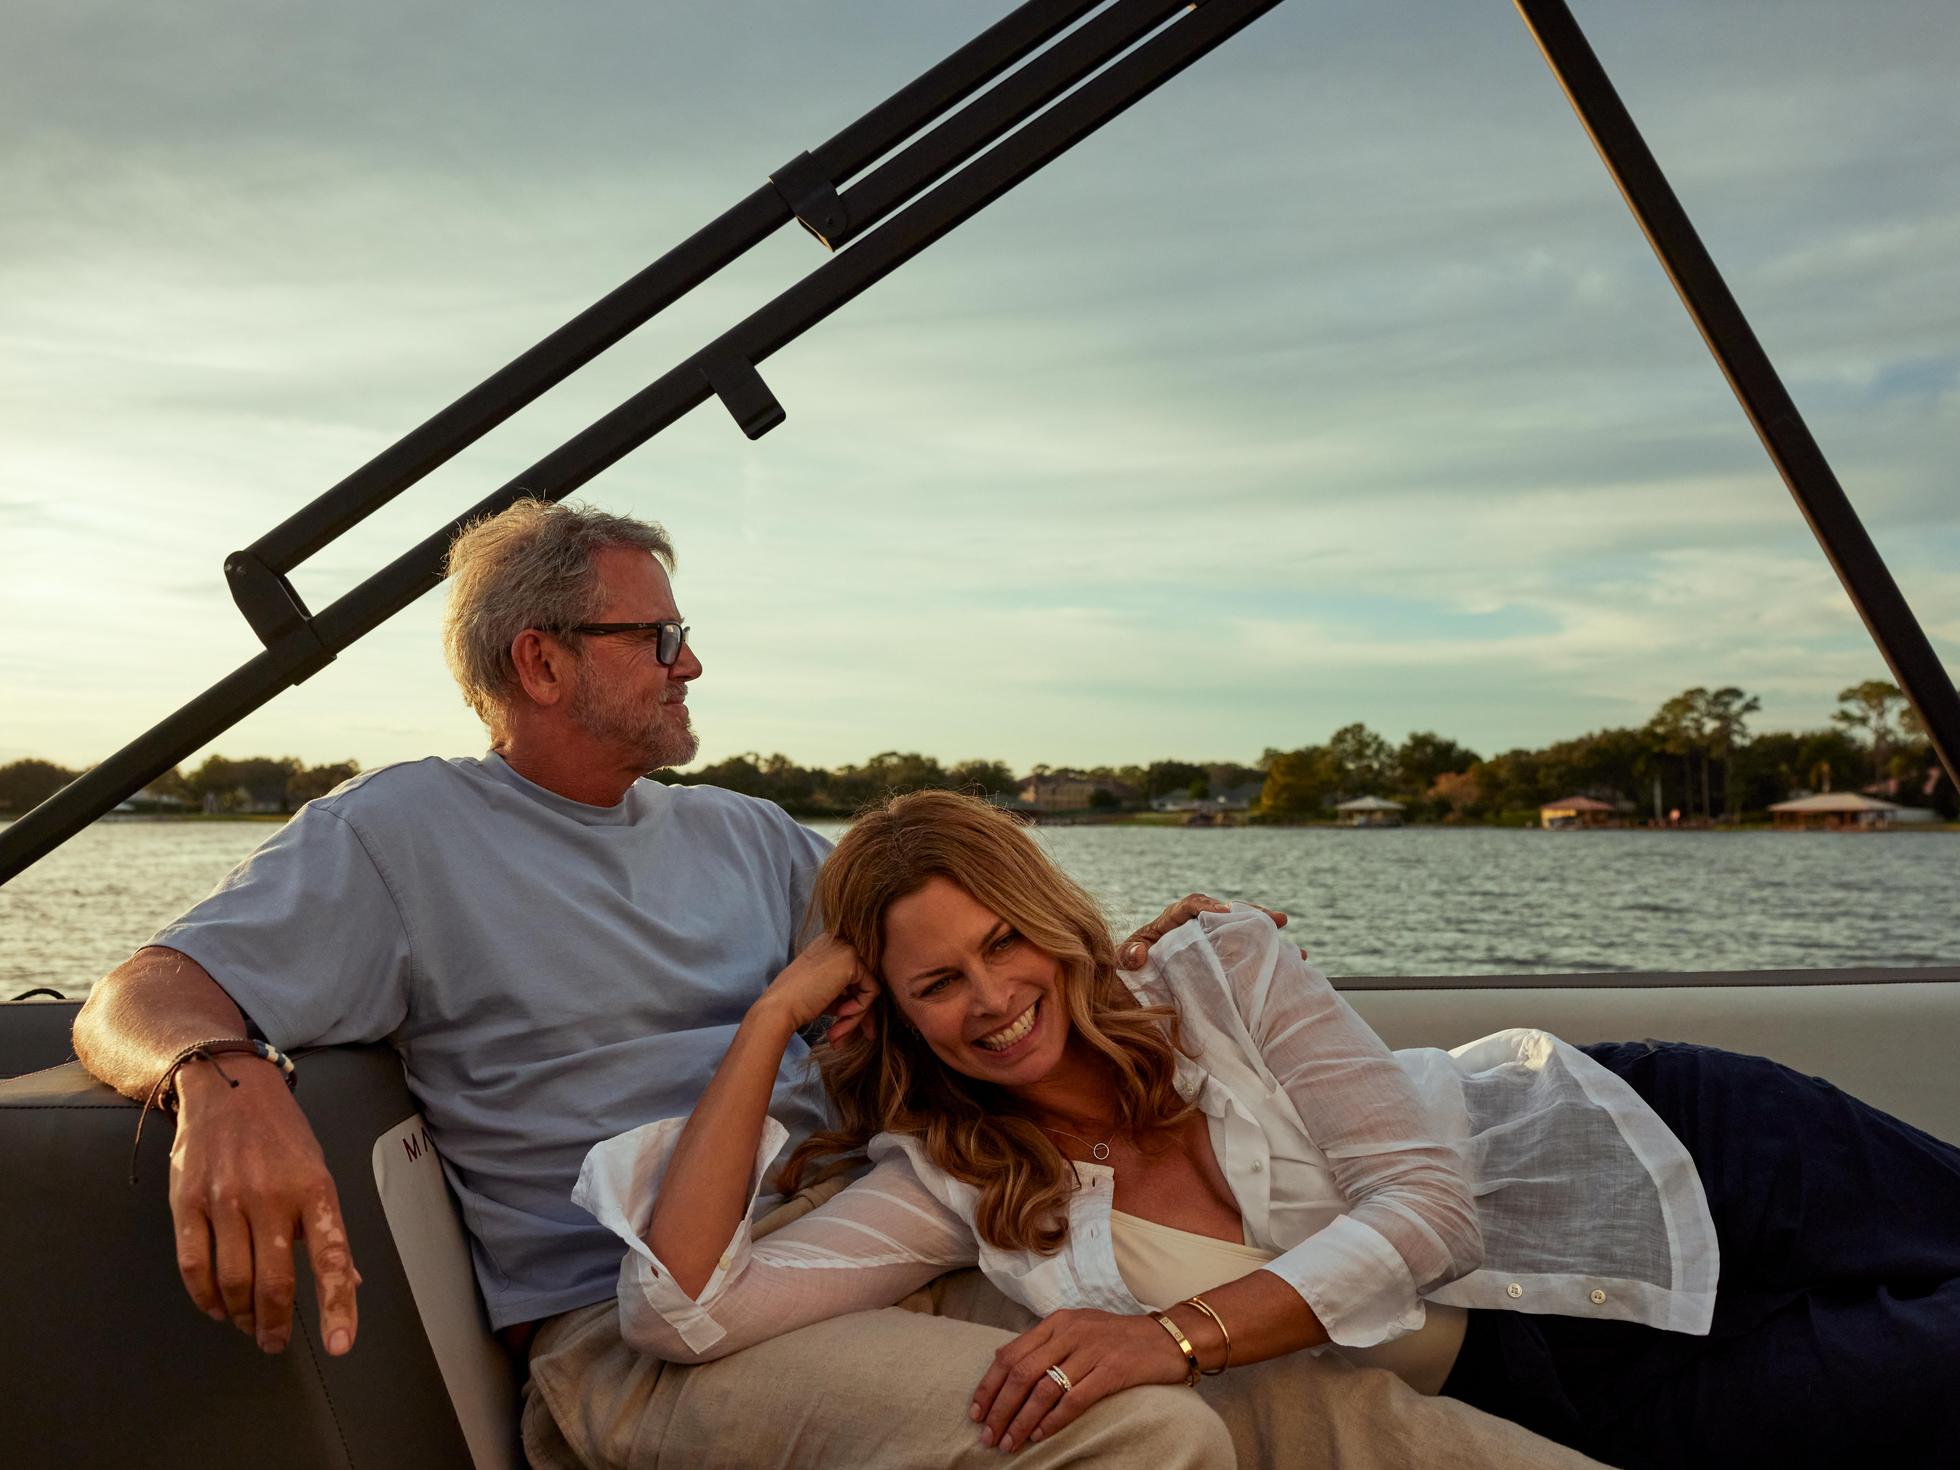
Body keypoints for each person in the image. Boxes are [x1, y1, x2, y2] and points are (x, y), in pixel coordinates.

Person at [71, 498, 1268, 1469]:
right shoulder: (399, 833)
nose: (688, 661)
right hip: (637, 1341)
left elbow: (962, 951)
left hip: (857, 1246)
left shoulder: (747, 836)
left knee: (1286, 1389)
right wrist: (223, 1081)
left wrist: (1149, 953)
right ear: (539, 662)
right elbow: (135, 993)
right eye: (656, 638)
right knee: (1133, 1429)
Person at [581, 789, 1960, 1470]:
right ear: (890, 1004)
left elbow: (1427, 1207)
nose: (995, 997)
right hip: (1560, 1368)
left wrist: (1169, 1337)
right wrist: (769, 1026)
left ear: (1051, 922)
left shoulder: (1217, 967)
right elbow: (686, 1312)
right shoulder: (951, 1177)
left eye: (1010, 942)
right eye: (938, 980)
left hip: (1650, 1140)